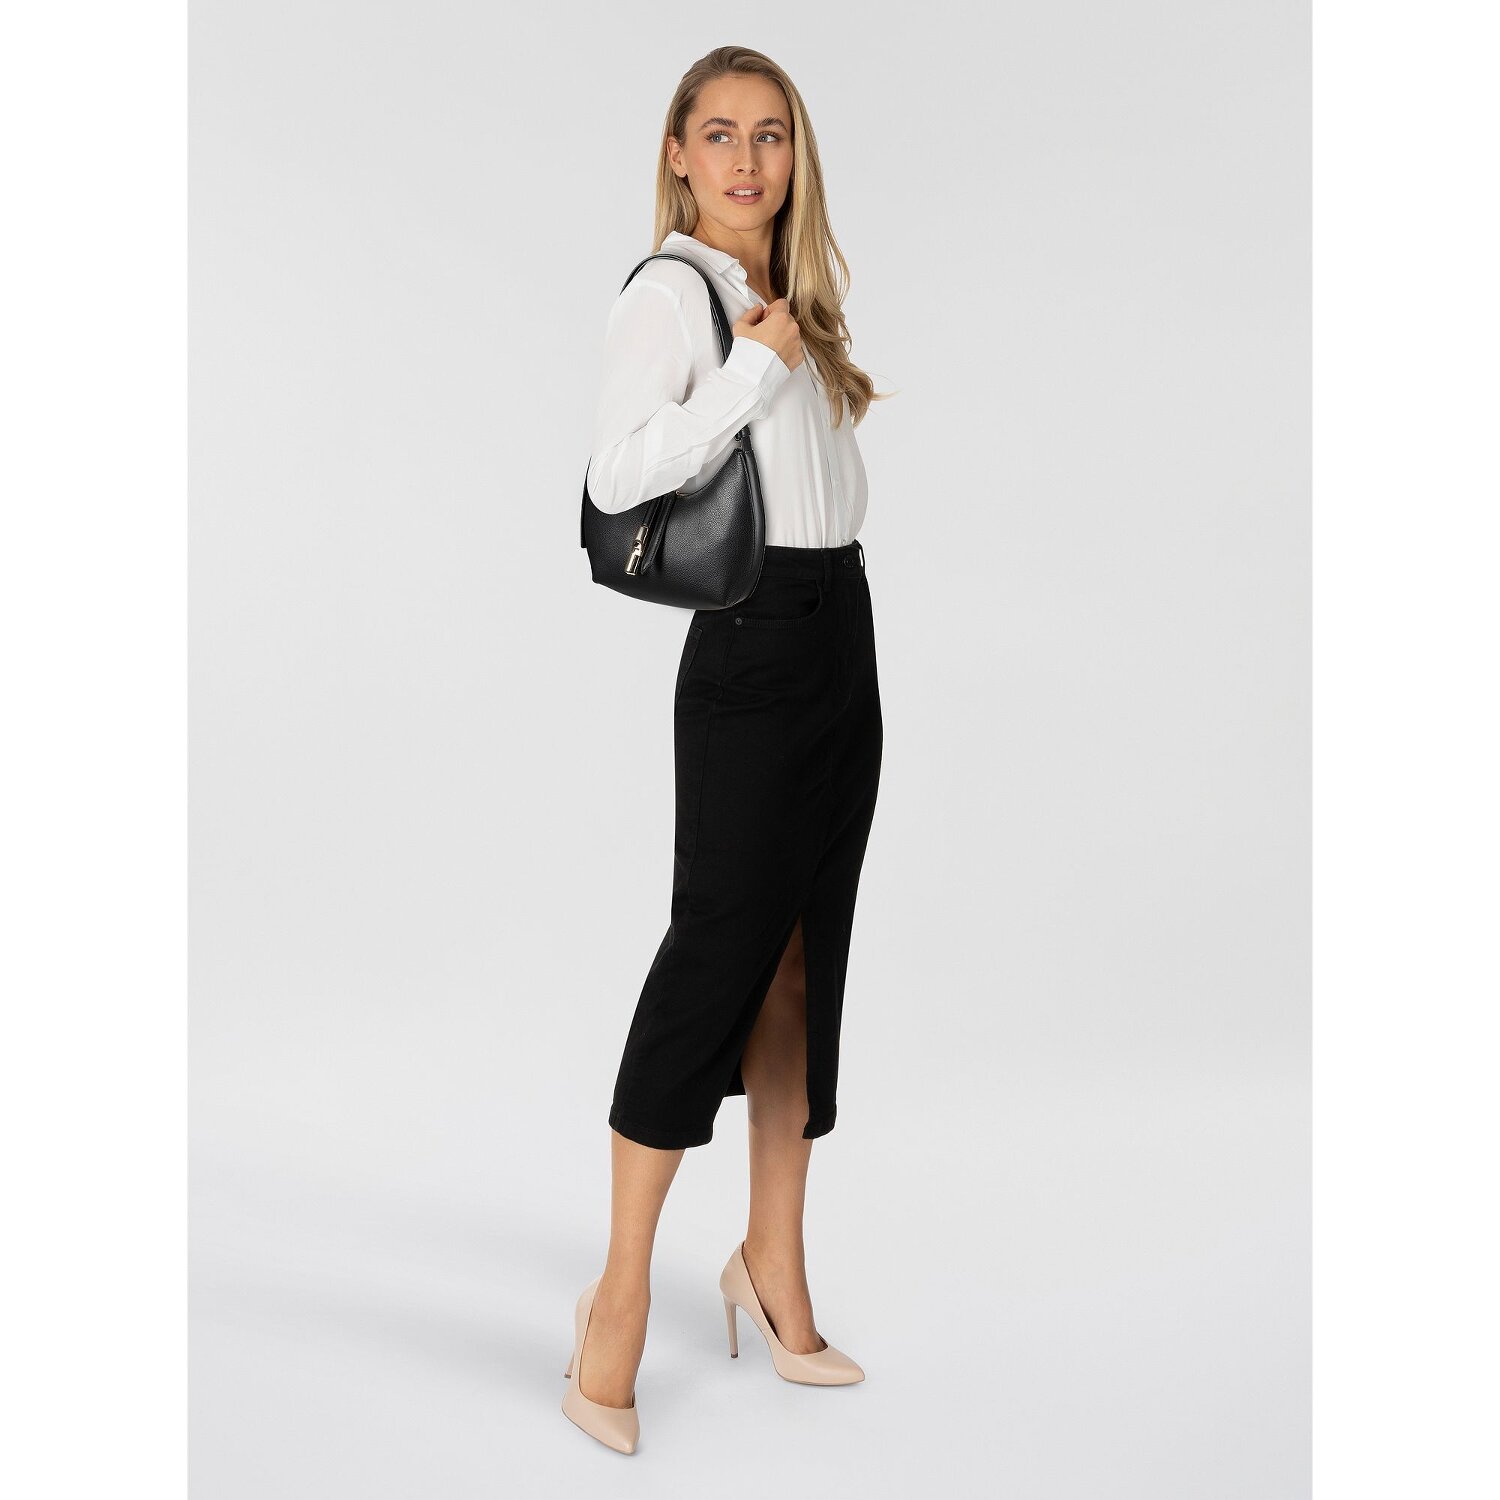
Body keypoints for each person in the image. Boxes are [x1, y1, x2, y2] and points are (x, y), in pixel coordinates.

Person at [562, 45, 890, 1455]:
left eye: (770, 134)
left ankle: (773, 1268)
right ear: (679, 155)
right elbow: (616, 476)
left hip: (840, 633)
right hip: (752, 649)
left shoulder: (793, 300)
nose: (747, 160)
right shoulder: (673, 295)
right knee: (715, 956)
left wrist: (785, 349)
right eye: (719, 134)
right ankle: (620, 1297)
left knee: (806, 959)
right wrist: (755, 370)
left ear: (793, 155)